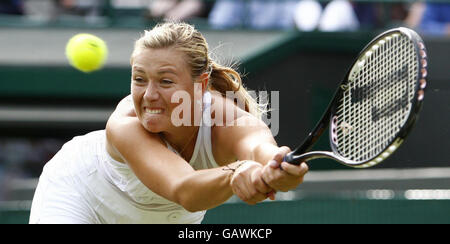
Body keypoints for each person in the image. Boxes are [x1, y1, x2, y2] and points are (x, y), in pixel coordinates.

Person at [29, 22, 308, 224]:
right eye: (139, 79)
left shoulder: (228, 119)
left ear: (200, 85)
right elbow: (184, 189)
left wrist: (277, 168)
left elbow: (260, 148)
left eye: (165, 81)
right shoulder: (125, 123)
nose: (149, 95)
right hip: (81, 194)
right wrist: (239, 171)